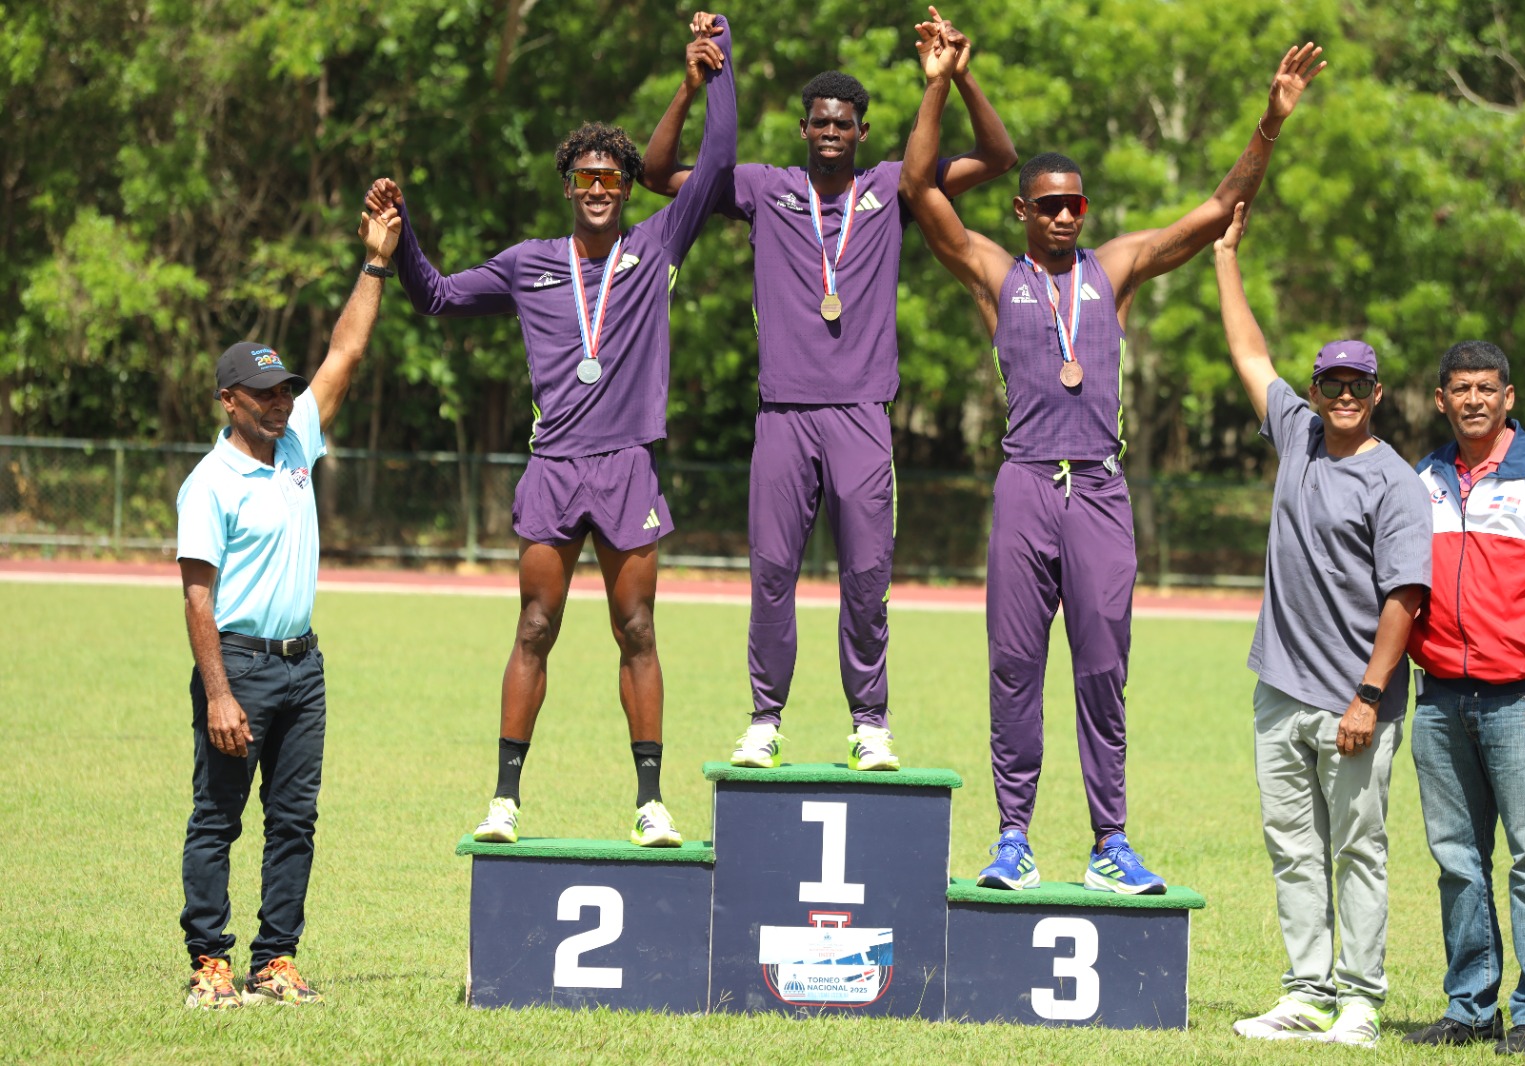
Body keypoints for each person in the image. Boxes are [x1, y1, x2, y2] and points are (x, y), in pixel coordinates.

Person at [900, 24, 1325, 897]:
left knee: (1103, 670)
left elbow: (1217, 209)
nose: (1065, 215)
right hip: (1025, 482)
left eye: (1075, 204)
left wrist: (1271, 123)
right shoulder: (995, 274)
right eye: (1049, 204)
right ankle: (1013, 839)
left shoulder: (1116, 268)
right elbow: (918, 189)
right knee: (1014, 669)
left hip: (1098, 486)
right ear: (1021, 211)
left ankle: (1110, 843)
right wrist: (945, 82)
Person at [364, 14, 736, 848]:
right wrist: (404, 231)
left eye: (611, 176)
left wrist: (713, 71)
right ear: (568, 186)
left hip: (628, 466)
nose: (599, 187)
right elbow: (437, 297)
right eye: (585, 177)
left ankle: (650, 802)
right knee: (535, 627)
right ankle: (504, 801)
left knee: (637, 631)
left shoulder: (657, 246)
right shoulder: (529, 264)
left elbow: (717, 159)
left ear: (627, 187)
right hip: (556, 466)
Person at [639, 6, 1016, 773]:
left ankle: (870, 723)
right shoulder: (762, 188)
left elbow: (999, 157)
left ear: (863, 132)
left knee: (867, 580)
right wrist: (689, 89)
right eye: (820, 123)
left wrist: (956, 78)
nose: (832, 132)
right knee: (772, 576)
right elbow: (655, 174)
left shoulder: (895, 187)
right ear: (804, 130)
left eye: (844, 123)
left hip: (862, 416)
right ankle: (764, 721)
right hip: (783, 416)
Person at [1207, 204, 1432, 1046]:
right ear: (1314, 391)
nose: (1342, 396)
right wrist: (1226, 256)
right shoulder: (1296, 436)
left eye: (1356, 386)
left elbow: (1405, 599)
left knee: (1357, 850)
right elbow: (1247, 350)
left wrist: (1369, 696)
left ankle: (1361, 1001)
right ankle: (1305, 992)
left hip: (1354, 701)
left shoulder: (1394, 483)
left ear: (1377, 396)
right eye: (1330, 384)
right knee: (1293, 848)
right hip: (1279, 690)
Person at [176, 207, 401, 1009]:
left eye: (285, 392)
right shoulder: (210, 484)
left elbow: (346, 351)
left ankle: (275, 960)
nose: (281, 403)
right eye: (264, 394)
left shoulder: (298, 441)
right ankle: (209, 961)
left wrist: (375, 263)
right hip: (237, 665)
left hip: (304, 666)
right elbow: (197, 596)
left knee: (294, 820)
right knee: (218, 817)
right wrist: (219, 693)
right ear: (229, 401)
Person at [1401, 341, 1525, 1058]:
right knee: (1457, 859)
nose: (1474, 400)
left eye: (1487, 388)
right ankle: (1471, 1007)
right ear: (1441, 400)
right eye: (1461, 389)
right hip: (1440, 702)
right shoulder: (1423, 477)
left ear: (1508, 397)